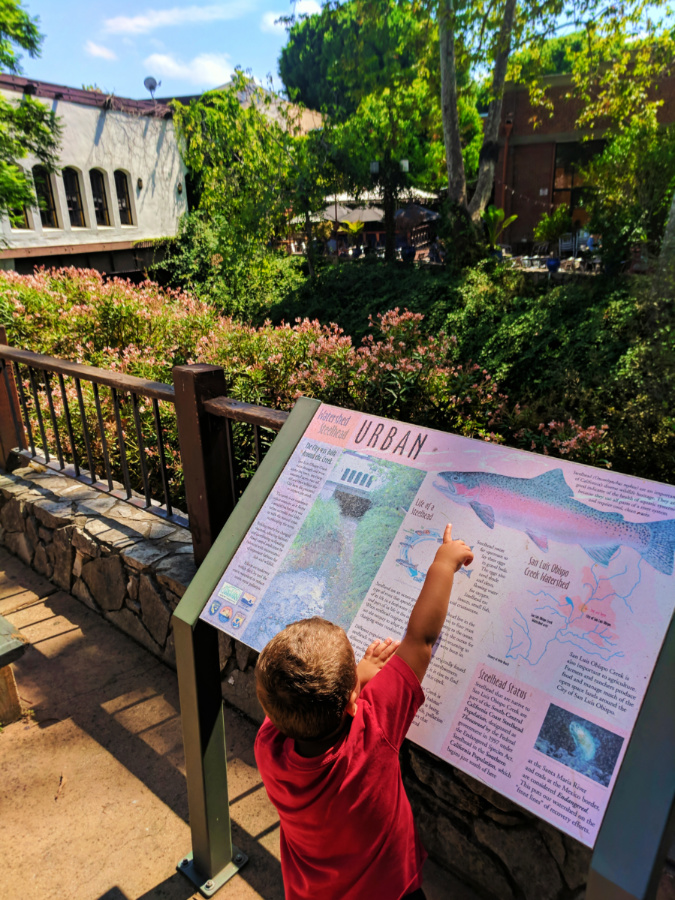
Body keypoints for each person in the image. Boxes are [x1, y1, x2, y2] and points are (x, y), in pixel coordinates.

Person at [254, 523, 474, 900]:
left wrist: (355, 678)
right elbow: (421, 640)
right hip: (390, 891)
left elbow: (300, 694)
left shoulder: (269, 745)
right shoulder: (373, 731)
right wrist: (442, 564)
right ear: (353, 701)